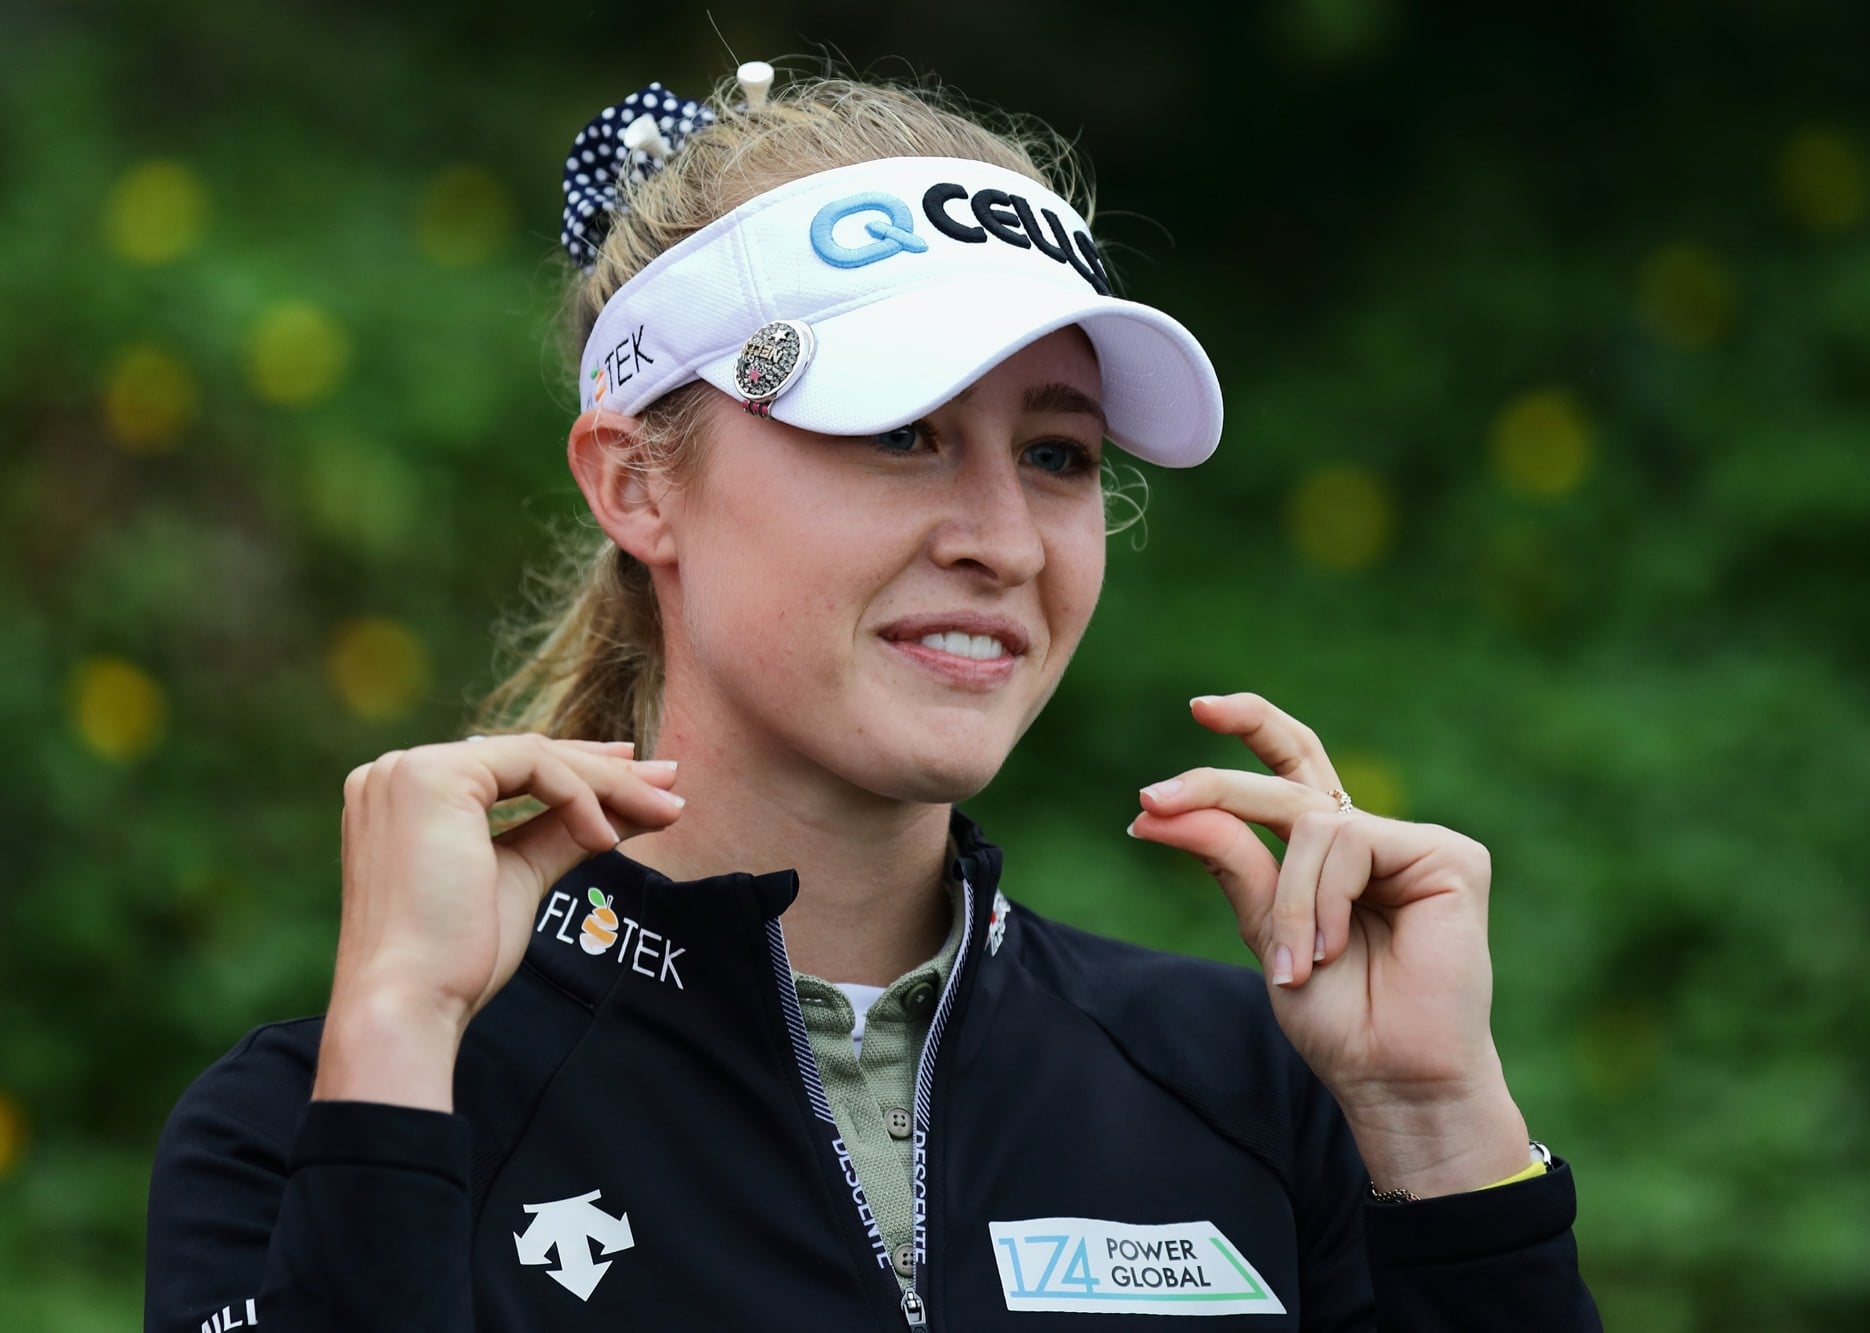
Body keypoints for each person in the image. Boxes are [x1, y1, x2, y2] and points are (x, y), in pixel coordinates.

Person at [145, 62, 1601, 1332]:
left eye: (1058, 454)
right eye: (903, 432)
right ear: (637, 480)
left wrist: (1434, 1126)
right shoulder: (319, 1118)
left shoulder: (1265, 1087)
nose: (1005, 539)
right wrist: (401, 1037)